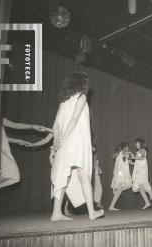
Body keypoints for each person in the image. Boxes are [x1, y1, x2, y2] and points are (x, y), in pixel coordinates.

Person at [49, 72, 104, 221]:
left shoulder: (63, 102)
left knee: (62, 176)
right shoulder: (82, 97)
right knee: (83, 175)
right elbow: (74, 119)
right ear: (82, 84)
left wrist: (57, 143)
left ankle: (56, 213)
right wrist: (63, 140)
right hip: (77, 142)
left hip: (64, 144)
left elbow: (55, 126)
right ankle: (92, 213)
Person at [0, 118, 52, 189]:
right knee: (11, 173)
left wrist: (19, 140)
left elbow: (15, 126)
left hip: (0, 148)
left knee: (12, 175)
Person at [63, 144, 103, 216]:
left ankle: (90, 210)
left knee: (77, 190)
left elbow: (93, 149)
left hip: (76, 171)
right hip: (72, 170)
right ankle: (64, 209)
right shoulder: (74, 148)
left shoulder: (89, 156)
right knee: (68, 189)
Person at [128, 138, 152, 210]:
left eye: (137, 143)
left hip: (141, 170)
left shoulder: (142, 150)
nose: (136, 144)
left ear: (141, 144)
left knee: (135, 188)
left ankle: (149, 191)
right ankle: (147, 202)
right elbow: (137, 162)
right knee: (139, 187)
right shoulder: (139, 151)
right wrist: (131, 162)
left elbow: (141, 158)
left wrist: (131, 155)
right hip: (139, 170)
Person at [108, 142, 133, 211]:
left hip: (123, 173)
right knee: (120, 187)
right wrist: (130, 153)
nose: (128, 148)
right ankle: (111, 206)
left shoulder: (124, 154)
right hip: (120, 173)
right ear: (124, 147)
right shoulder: (122, 153)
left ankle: (112, 205)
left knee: (120, 189)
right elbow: (132, 156)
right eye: (127, 147)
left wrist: (135, 164)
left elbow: (129, 161)